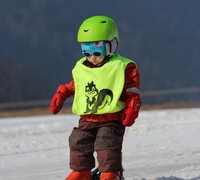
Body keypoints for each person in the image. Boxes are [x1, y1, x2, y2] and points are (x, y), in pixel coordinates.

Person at [50, 15, 141, 180]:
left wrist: (132, 107)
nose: (92, 57)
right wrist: (62, 93)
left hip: (111, 118)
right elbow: (76, 84)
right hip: (87, 118)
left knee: (107, 145)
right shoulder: (82, 67)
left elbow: (131, 90)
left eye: (97, 52)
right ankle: (82, 171)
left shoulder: (122, 66)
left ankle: (111, 173)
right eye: (87, 52)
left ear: (112, 45)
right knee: (78, 142)